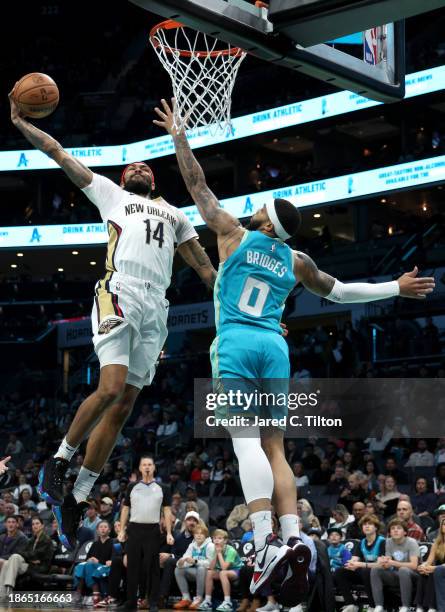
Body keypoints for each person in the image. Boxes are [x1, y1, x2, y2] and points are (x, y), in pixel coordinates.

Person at [154, 97, 434, 600]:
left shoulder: (234, 234)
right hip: (275, 347)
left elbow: (196, 185)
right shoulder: (297, 260)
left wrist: (178, 134)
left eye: (263, 206)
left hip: (237, 342)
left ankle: (264, 545)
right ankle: (292, 535)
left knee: (244, 442)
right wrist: (394, 286)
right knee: (276, 446)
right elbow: (343, 291)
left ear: (265, 222)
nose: (258, 205)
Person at [8, 90, 217, 550]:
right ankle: (59, 462)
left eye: (146, 167)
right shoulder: (112, 195)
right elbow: (59, 154)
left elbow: (204, 269)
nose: (140, 168)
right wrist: (22, 124)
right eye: (132, 167)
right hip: (118, 292)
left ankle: (78, 495)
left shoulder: (175, 215)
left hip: (157, 308)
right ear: (124, 178)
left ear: (155, 178)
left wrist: (241, 310)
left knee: (123, 407)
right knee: (109, 386)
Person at [118, 456, 173, 611]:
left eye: (150, 464)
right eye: (144, 465)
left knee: (153, 567)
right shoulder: (132, 487)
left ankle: (153, 602)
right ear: (140, 468)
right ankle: (130, 603)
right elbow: (126, 509)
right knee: (132, 567)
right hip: (134, 529)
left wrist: (169, 532)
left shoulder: (163, 487)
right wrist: (122, 530)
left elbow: (167, 511)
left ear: (154, 467)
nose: (147, 467)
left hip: (153, 530)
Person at [334, 513, 386, 612]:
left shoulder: (382, 541)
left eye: (370, 524)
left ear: (376, 527)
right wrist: (350, 564)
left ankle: (372, 605)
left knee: (366, 571)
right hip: (365, 573)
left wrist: (360, 564)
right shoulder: (361, 542)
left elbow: (381, 565)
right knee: (340, 571)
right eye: (364, 524)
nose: (366, 526)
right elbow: (354, 559)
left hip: (380, 573)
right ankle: (351, 604)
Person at [370, 518, 420, 612]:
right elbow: (388, 564)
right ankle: (379, 606)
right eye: (393, 528)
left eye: (398, 528)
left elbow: (414, 566)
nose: (395, 530)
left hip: (413, 576)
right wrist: (383, 562)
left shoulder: (412, 542)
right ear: (389, 532)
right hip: (397, 574)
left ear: (405, 532)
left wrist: (393, 563)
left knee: (403, 569)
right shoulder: (388, 542)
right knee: (375, 569)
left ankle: (406, 606)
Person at [0, 516, 53, 598]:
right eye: (33, 524)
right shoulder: (32, 539)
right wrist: (31, 558)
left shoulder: (46, 539)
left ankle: (8, 589)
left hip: (40, 566)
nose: (35, 526)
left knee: (14, 557)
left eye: (37, 523)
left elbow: (35, 554)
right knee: (9, 561)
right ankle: (3, 593)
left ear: (42, 525)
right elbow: (25, 553)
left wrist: (30, 556)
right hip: (31, 564)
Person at [198, 529, 244, 611]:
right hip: (224, 571)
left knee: (223, 573)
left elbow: (224, 568)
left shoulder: (231, 550)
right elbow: (211, 567)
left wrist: (219, 553)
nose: (216, 540)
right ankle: (208, 601)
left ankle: (227, 602)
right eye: (215, 538)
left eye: (219, 538)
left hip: (238, 571)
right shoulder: (215, 550)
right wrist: (216, 554)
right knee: (209, 573)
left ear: (225, 540)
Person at [174, 523, 214, 610]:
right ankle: (186, 598)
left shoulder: (210, 546)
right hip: (196, 572)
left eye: (201, 533)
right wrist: (181, 563)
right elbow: (185, 558)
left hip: (208, 573)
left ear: (205, 535)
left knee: (201, 568)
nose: (199, 536)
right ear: (194, 535)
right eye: (196, 533)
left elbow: (211, 564)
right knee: (178, 570)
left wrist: (195, 561)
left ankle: (199, 598)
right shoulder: (192, 545)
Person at [73, 521, 113, 607]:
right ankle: (78, 593)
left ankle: (96, 594)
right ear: (97, 530)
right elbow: (87, 558)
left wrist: (98, 561)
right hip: (92, 566)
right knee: (81, 565)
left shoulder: (113, 542)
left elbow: (112, 560)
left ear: (109, 530)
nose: (103, 529)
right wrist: (90, 559)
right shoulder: (95, 544)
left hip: (105, 567)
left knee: (89, 565)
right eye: (101, 527)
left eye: (105, 527)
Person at [415, 517, 445, 612]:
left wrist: (433, 568)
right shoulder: (437, 544)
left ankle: (432, 607)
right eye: (444, 524)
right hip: (438, 571)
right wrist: (423, 566)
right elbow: (428, 561)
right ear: (441, 527)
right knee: (424, 573)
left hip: (441, 570)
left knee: (434, 571)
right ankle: (420, 606)